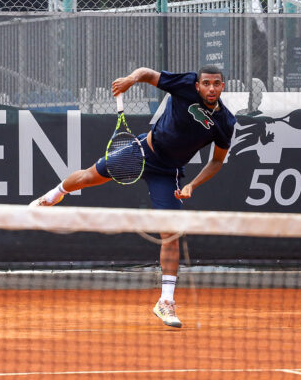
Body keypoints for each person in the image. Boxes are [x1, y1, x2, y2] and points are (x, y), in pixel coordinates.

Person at [29, 65, 237, 329]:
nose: (211, 88)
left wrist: (192, 185)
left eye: (216, 84)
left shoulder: (225, 122)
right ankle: (53, 195)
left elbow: (217, 161)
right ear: (197, 86)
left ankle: (165, 302)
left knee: (172, 233)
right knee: (86, 178)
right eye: (206, 83)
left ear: (223, 86)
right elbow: (147, 74)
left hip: (167, 173)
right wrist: (129, 80)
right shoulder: (184, 85)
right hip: (141, 152)